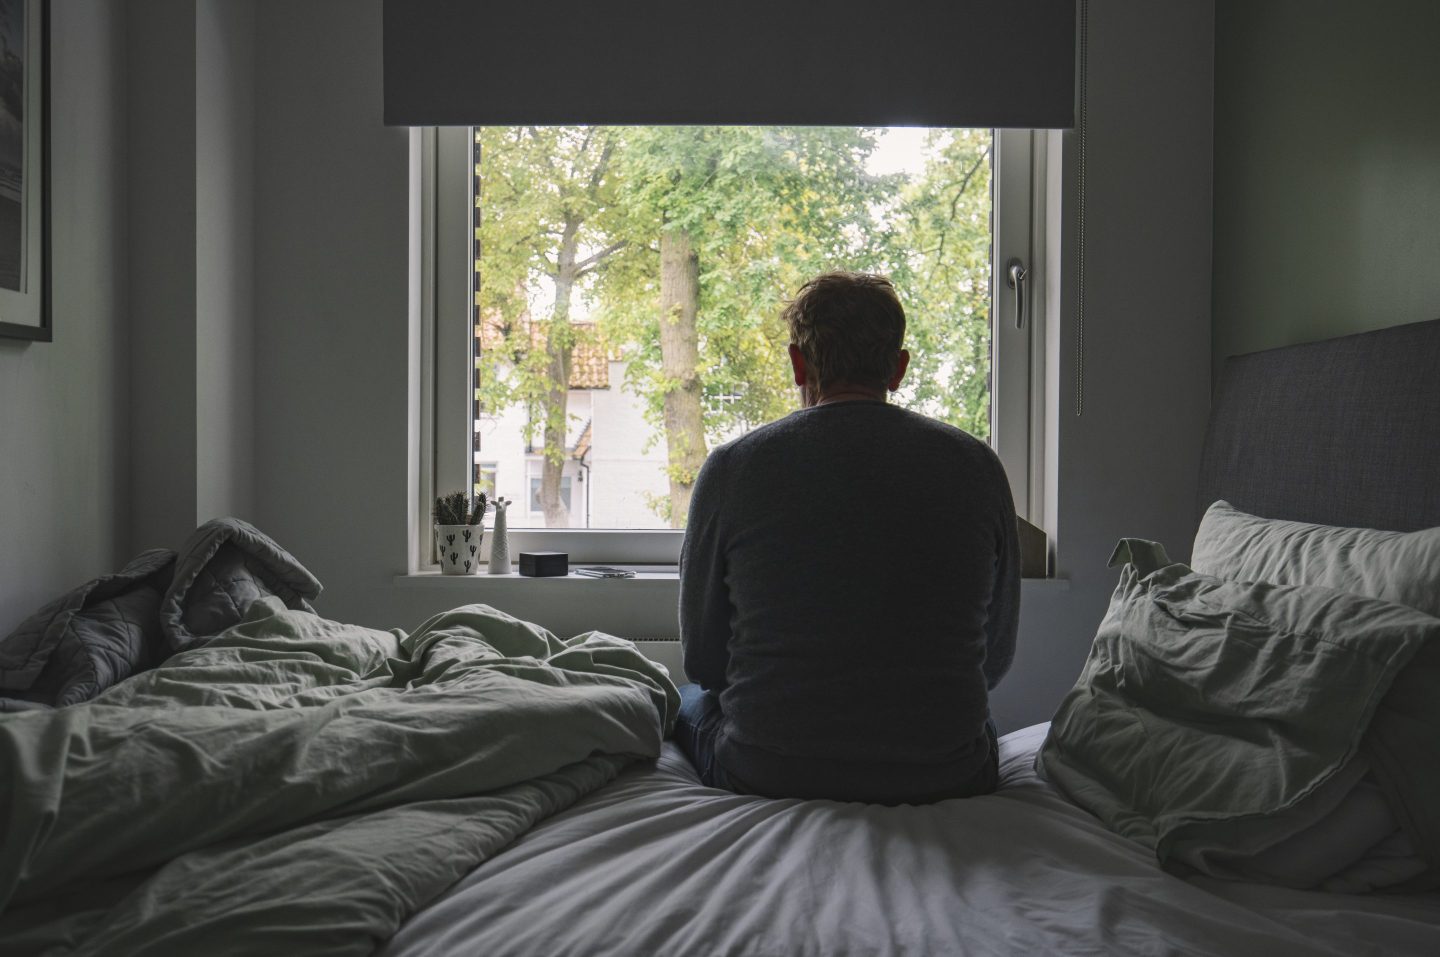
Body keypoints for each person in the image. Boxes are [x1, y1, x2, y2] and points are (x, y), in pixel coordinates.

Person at [674, 271, 1020, 805]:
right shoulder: (978, 466)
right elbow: (993, 659)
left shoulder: (732, 469)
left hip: (769, 769)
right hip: (945, 773)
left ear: (797, 363)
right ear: (898, 369)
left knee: (686, 700)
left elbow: (702, 660)